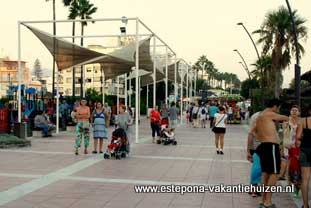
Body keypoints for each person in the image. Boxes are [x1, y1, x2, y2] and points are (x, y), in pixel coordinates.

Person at [252, 99, 289, 208]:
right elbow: (285, 118)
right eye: (278, 108)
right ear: (275, 106)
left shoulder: (260, 116)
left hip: (264, 146)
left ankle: (263, 201)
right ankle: (267, 201)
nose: (278, 110)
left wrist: (260, 137)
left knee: (266, 174)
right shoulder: (269, 114)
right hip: (271, 146)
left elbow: (253, 131)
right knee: (274, 173)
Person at [297, 104, 311, 208]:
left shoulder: (303, 121)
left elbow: (298, 136)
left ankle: (305, 205)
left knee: (305, 179)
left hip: (305, 150)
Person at [246, 111, 262, 197]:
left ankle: (255, 188)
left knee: (258, 168)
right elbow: (250, 136)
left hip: (262, 148)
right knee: (257, 168)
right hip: (258, 148)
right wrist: (248, 150)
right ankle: (253, 189)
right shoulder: (255, 125)